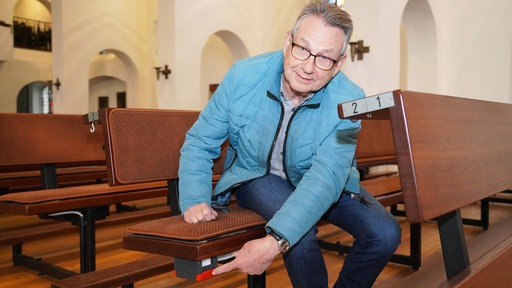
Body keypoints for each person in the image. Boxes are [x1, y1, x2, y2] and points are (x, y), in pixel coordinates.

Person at [178, 1, 401, 287]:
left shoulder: (351, 101)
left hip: (321, 181)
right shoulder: (242, 77)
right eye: (302, 49)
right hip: (258, 175)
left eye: (324, 58)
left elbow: (328, 175)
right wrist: (195, 198)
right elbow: (200, 141)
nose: (308, 67)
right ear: (287, 41)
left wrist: (272, 244)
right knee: (300, 237)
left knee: (384, 234)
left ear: (339, 64)